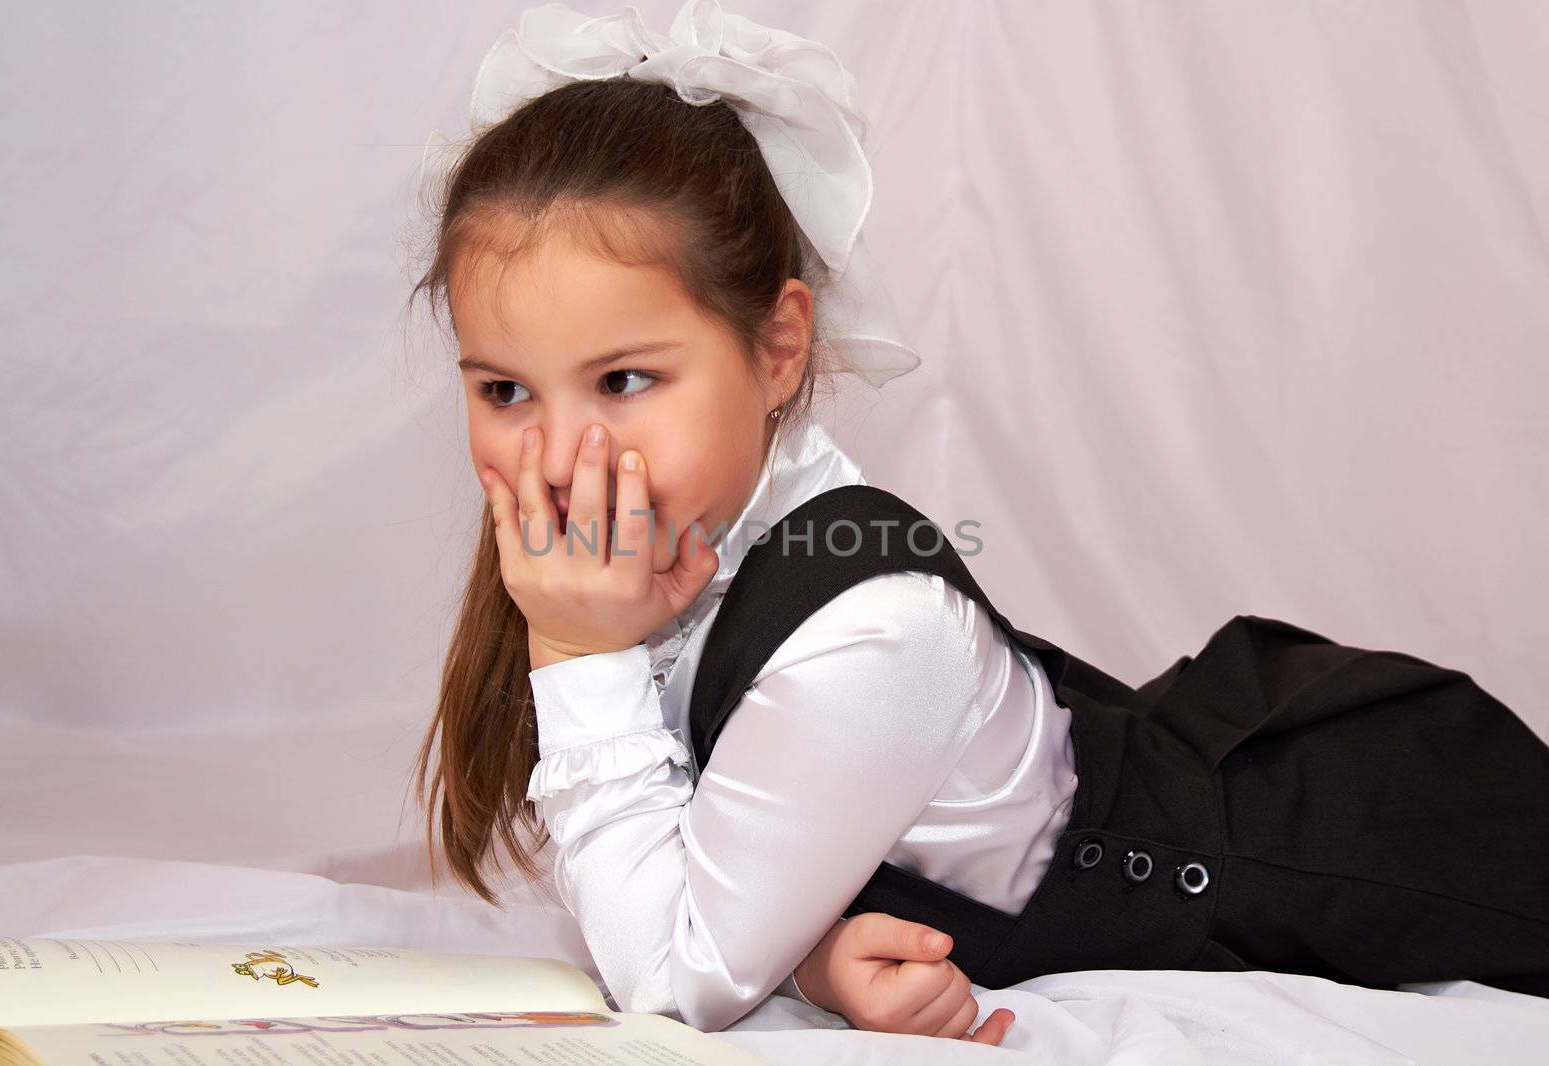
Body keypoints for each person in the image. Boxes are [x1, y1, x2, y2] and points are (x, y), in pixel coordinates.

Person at [407, 0, 1549, 1041]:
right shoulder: (639, 555)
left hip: (1362, 842)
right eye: (504, 390)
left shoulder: (872, 632)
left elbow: (675, 976)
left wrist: (575, 655)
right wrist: (807, 957)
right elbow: (669, 874)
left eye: (623, 381)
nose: (559, 456)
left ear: (778, 347)